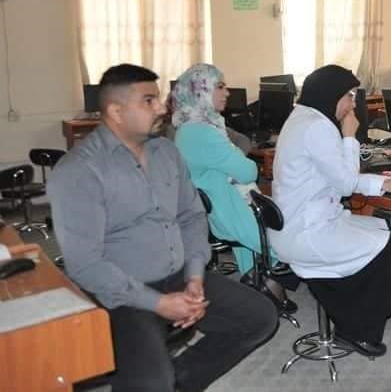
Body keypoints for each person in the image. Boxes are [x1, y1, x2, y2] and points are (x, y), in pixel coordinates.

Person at [47, 64, 277, 392]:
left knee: (259, 318)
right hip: (120, 292)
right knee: (150, 380)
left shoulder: (165, 152)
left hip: (178, 275)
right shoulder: (79, 170)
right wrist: (159, 304)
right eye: (149, 100)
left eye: (158, 98)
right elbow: (85, 264)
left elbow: (191, 217)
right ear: (116, 112)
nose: (161, 108)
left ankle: (180, 381)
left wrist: (195, 277)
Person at [270, 65, 391, 358]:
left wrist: (384, 184)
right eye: (349, 96)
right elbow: (347, 184)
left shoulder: (301, 117)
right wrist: (350, 136)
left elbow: (336, 176)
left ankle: (354, 323)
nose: (352, 104)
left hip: (299, 224)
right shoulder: (318, 127)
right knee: (389, 252)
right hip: (308, 231)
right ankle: (357, 331)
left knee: (379, 229)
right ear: (330, 95)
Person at [172, 63, 276, 278]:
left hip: (219, 206)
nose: (227, 93)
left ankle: (257, 281)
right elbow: (248, 172)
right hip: (230, 210)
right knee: (291, 240)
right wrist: (241, 159)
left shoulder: (187, 128)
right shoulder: (203, 133)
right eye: (220, 86)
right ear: (201, 92)